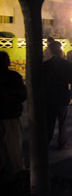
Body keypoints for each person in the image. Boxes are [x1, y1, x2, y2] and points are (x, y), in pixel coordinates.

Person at [0, 51, 26, 182]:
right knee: (14, 144)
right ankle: (17, 171)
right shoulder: (14, 76)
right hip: (10, 115)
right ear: (6, 62)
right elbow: (22, 95)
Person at [43, 42, 72, 149]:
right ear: (60, 50)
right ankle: (62, 142)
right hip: (62, 96)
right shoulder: (66, 64)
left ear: (50, 51)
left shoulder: (45, 65)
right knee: (62, 121)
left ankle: (46, 142)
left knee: (49, 122)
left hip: (49, 97)